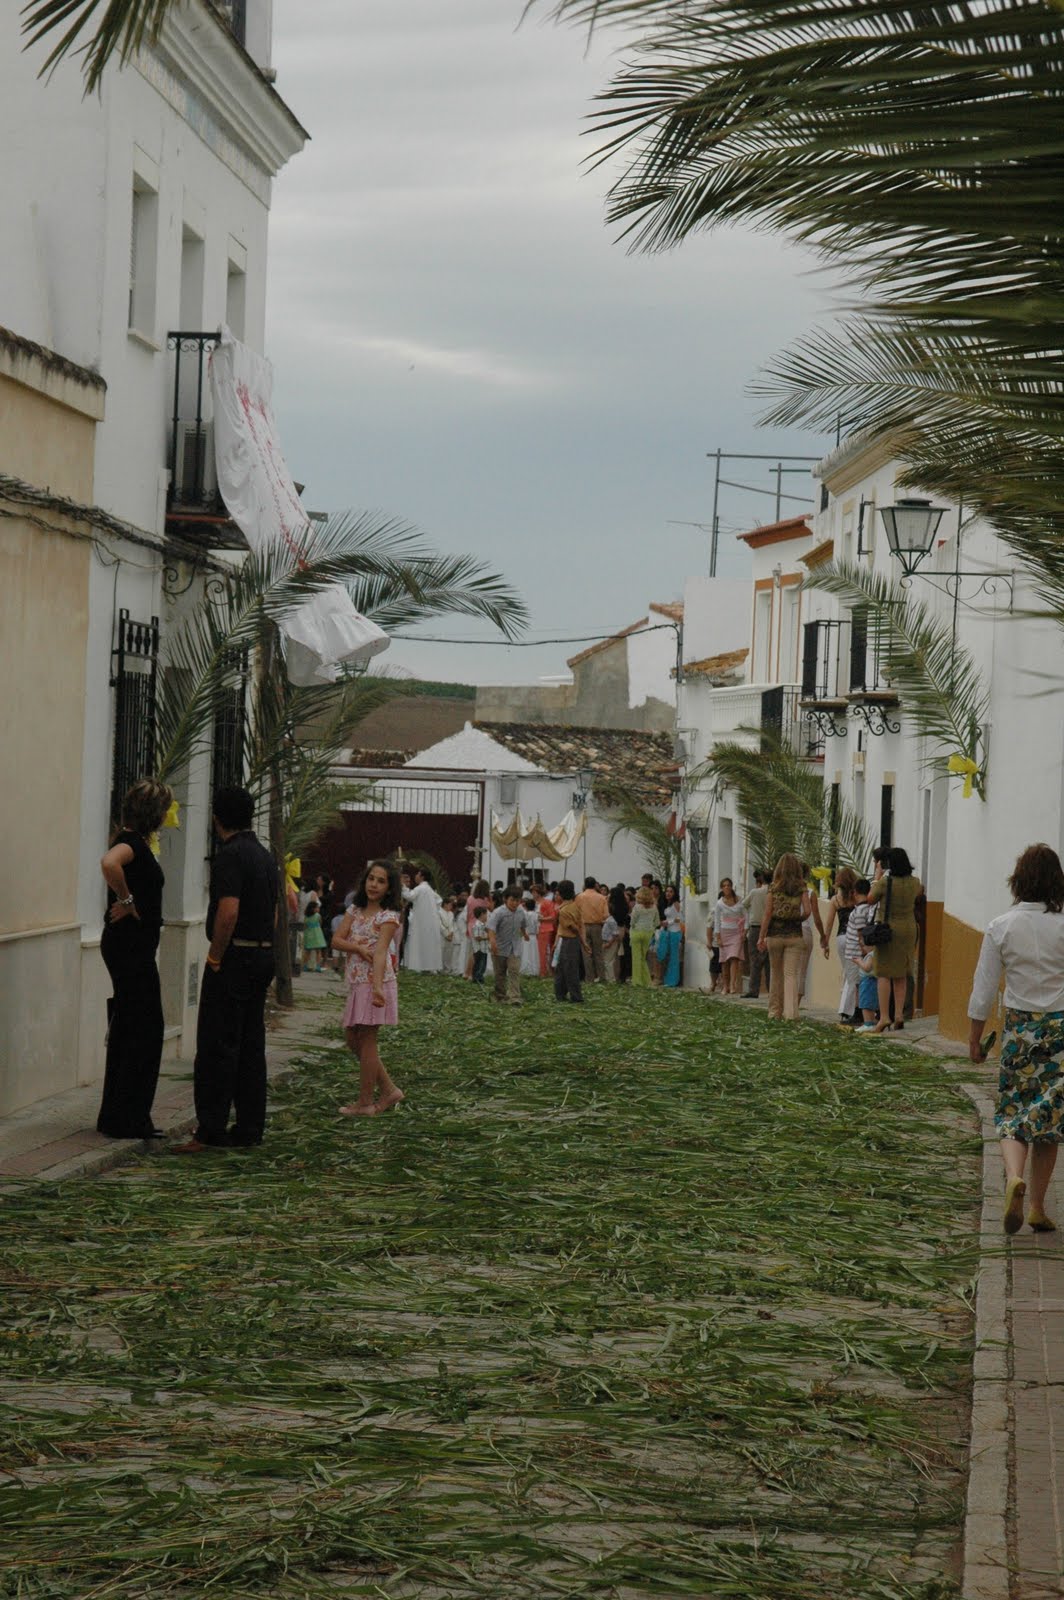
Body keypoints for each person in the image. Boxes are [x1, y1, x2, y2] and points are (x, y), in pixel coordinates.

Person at [174, 786, 278, 1152]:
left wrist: (216, 956)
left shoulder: (230, 857)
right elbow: (276, 911)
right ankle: (249, 1127)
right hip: (264, 955)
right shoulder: (266, 857)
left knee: (218, 1043)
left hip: (236, 957)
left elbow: (228, 911)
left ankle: (210, 1129)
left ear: (216, 819)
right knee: (251, 1043)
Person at [969, 845, 1064, 1234]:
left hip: (1019, 1032)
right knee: (1050, 1121)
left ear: (1018, 881)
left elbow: (984, 988)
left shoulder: (1001, 925)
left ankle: (1012, 1177)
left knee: (1013, 1114)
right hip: (1060, 1031)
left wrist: (975, 1039)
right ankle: (1038, 1206)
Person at [96, 778, 173, 1140]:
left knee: (133, 1027)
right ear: (152, 813)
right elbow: (109, 863)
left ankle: (121, 1115)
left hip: (131, 947)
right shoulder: (129, 843)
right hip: (130, 949)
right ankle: (128, 1117)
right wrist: (127, 901)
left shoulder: (136, 842)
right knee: (144, 1029)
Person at [332, 859, 405, 1117]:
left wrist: (376, 989)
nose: (374, 884)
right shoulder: (355, 909)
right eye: (371, 878)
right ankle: (388, 1089)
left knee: (367, 1040)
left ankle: (365, 1103)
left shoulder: (388, 917)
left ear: (389, 888)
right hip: (356, 981)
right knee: (353, 1039)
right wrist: (358, 948)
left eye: (381, 881)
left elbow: (382, 952)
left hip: (376, 983)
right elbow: (337, 940)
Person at [867, 846, 923, 1033]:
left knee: (883, 972)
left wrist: (877, 878)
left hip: (888, 929)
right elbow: (918, 895)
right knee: (902, 971)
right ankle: (899, 1014)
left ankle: (884, 1017)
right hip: (909, 929)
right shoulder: (915, 882)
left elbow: (870, 899)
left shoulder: (885, 882)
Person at [759, 853, 814, 1022]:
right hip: (795, 935)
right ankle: (791, 1013)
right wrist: (797, 919)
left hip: (775, 935)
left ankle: (774, 1011)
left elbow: (767, 913)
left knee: (775, 973)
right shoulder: (801, 887)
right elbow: (808, 911)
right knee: (791, 974)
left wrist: (761, 936)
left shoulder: (773, 887)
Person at [821, 867, 859, 1023]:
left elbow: (829, 924)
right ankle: (847, 1010)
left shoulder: (835, 900)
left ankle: (847, 1007)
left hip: (840, 938)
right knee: (853, 976)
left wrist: (825, 944)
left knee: (846, 973)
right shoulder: (856, 898)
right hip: (854, 938)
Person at [842, 879, 877, 1028]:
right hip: (857, 952)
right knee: (857, 983)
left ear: (855, 892)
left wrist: (864, 952)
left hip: (856, 953)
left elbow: (861, 933)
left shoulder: (859, 911)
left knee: (857, 984)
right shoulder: (866, 908)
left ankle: (858, 1013)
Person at [488, 886, 529, 1004]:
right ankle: (500, 995)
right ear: (505, 899)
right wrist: (493, 942)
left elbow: (522, 924)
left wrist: (525, 934)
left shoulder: (521, 911)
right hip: (500, 947)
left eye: (518, 901)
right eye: (512, 900)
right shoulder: (498, 912)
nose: (515, 903)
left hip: (515, 947)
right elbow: (491, 929)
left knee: (514, 970)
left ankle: (514, 996)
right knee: (500, 973)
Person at [554, 879, 590, 1003]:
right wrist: (583, 942)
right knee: (564, 968)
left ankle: (575, 997)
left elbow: (574, 928)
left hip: (569, 941)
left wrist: (583, 941)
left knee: (569, 970)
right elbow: (581, 924)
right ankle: (561, 994)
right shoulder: (575, 906)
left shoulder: (563, 911)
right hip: (571, 941)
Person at [402, 866, 443, 972]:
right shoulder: (429, 889)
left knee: (420, 942)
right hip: (430, 920)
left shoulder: (420, 888)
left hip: (421, 921)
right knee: (429, 943)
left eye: (417, 874)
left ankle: (419, 966)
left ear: (421, 876)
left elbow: (409, 896)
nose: (415, 876)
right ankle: (430, 966)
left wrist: (402, 885)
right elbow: (439, 900)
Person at [713, 878, 747, 995]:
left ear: (731, 887)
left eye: (728, 885)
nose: (727, 887)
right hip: (724, 932)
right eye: (724, 886)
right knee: (724, 960)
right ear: (722, 888)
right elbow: (717, 920)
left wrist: (744, 932)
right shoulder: (719, 903)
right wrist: (718, 937)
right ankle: (725, 985)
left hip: (736, 932)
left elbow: (746, 916)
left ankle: (733, 984)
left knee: (734, 958)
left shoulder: (739, 901)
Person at [740, 870, 770, 999]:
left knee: (754, 960)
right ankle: (771, 990)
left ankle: (753, 990)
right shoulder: (773, 892)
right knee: (769, 961)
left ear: (760, 880)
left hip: (756, 927)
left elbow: (744, 904)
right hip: (770, 928)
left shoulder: (754, 892)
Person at [575, 875, 609, 982]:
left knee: (586, 953)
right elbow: (606, 915)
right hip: (597, 926)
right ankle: (602, 976)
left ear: (585, 885)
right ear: (595, 885)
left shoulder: (579, 897)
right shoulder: (602, 897)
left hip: (583, 926)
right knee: (598, 952)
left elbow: (575, 912)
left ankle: (589, 978)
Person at [629, 885, 660, 988]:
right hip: (648, 933)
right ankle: (646, 981)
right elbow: (657, 922)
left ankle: (637, 981)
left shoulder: (637, 907)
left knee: (636, 958)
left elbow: (632, 921)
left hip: (636, 932)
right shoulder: (654, 907)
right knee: (643, 957)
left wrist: (633, 928)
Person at [463, 878, 491, 979]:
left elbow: (467, 914)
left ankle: (468, 972)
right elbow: (491, 908)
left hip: (470, 924)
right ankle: (469, 973)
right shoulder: (484, 901)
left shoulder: (470, 898)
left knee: (473, 951)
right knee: (476, 952)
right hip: (479, 926)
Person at [659, 884, 684, 987]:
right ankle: (668, 979)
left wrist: (668, 922)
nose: (668, 893)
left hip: (675, 932)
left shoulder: (676, 904)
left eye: (671, 891)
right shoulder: (668, 904)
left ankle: (673, 981)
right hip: (669, 932)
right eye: (667, 891)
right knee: (669, 957)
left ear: (674, 893)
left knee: (674, 957)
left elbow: (680, 918)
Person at [301, 898, 326, 972]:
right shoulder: (318, 915)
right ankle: (318, 966)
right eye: (317, 907)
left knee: (307, 951)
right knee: (318, 951)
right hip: (317, 934)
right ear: (313, 908)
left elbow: (305, 925)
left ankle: (305, 965)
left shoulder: (306, 916)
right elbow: (320, 923)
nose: (318, 909)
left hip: (309, 934)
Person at [520, 896, 541, 976]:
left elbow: (521, 925)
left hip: (525, 935)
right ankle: (534, 970)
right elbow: (538, 926)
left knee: (525, 952)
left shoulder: (524, 914)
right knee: (533, 953)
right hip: (533, 936)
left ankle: (525, 969)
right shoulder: (536, 915)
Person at [470, 905, 491, 983]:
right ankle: (476, 978)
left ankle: (480, 977)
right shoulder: (478, 925)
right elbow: (477, 937)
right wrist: (487, 937)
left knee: (483, 965)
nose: (487, 916)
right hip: (479, 949)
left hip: (484, 948)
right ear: (482, 914)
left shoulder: (483, 925)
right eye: (486, 915)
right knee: (479, 964)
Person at [439, 896, 459, 974]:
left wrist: (451, 933)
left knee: (448, 952)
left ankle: (447, 968)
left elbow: (452, 924)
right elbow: (439, 924)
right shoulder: (439, 912)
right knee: (441, 951)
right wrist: (446, 934)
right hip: (442, 934)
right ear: (445, 904)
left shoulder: (451, 913)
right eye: (450, 905)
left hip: (450, 935)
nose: (451, 907)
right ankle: (439, 968)